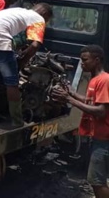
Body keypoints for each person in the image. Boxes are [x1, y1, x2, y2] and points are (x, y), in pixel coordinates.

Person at [0, 3, 53, 126]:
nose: (46, 22)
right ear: (45, 15)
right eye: (47, 20)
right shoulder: (38, 18)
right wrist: (23, 61)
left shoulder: (16, 11)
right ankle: (17, 121)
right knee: (12, 82)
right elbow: (35, 45)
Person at [53, 45, 109, 198]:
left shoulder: (104, 80)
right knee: (97, 180)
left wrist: (69, 99)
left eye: (85, 60)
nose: (81, 63)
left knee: (97, 181)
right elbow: (91, 102)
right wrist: (71, 92)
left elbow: (101, 111)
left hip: (104, 140)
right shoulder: (95, 80)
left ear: (97, 60)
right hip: (98, 138)